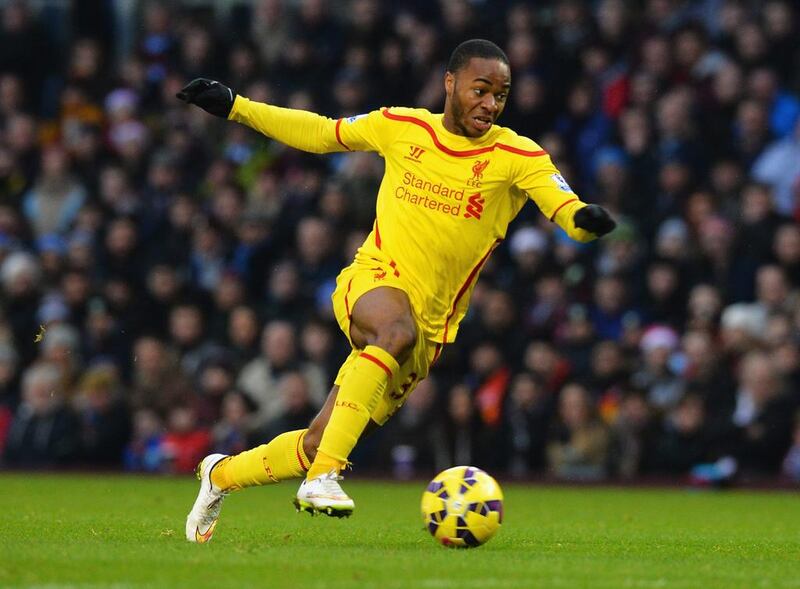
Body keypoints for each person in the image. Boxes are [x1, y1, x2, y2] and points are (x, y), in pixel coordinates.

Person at [177, 39, 615, 543]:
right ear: (450, 83)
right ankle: (324, 478)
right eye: (481, 90)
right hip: (373, 282)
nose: (491, 104)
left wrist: (586, 222)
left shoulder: (517, 156)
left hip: (429, 332)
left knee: (318, 439)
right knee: (393, 330)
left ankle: (220, 475)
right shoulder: (402, 127)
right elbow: (322, 133)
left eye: (501, 95)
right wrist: (236, 107)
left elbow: (565, 206)